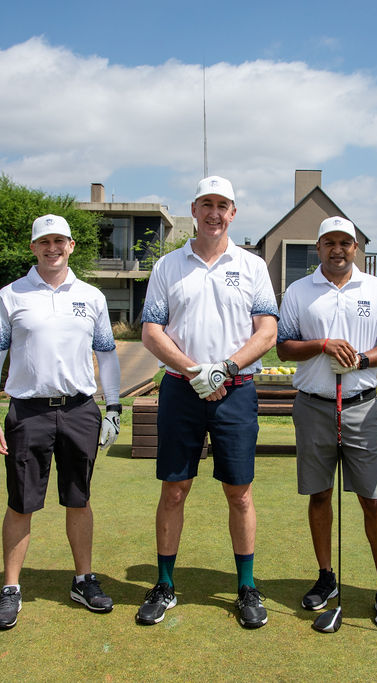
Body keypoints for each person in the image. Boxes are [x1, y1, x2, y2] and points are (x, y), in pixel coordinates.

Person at [137, 176, 278, 629]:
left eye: (223, 205)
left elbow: (267, 332)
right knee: (174, 489)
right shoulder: (168, 266)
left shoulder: (252, 266)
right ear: (194, 209)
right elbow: (152, 331)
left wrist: (225, 369)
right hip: (182, 390)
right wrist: (198, 372)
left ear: (233, 212)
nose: (214, 213)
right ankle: (164, 584)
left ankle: (247, 587)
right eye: (206, 204)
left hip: (236, 391)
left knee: (239, 492)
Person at [0, 214, 123, 630]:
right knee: (21, 502)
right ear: (33, 247)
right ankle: (10, 588)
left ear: (71, 245)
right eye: (44, 241)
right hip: (28, 412)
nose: (52, 248)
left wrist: (113, 407)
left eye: (60, 241)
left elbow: (107, 355)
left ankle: (83, 580)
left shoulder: (91, 296)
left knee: (79, 498)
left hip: (80, 410)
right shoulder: (11, 295)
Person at [276, 217, 377, 628]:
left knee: (372, 500)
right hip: (314, 405)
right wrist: (322, 345)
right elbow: (283, 347)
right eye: (329, 242)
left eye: (345, 243)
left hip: (360, 407)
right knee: (319, 495)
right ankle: (326, 576)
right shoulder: (299, 291)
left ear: (356, 248)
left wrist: (362, 359)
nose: (338, 249)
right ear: (318, 248)